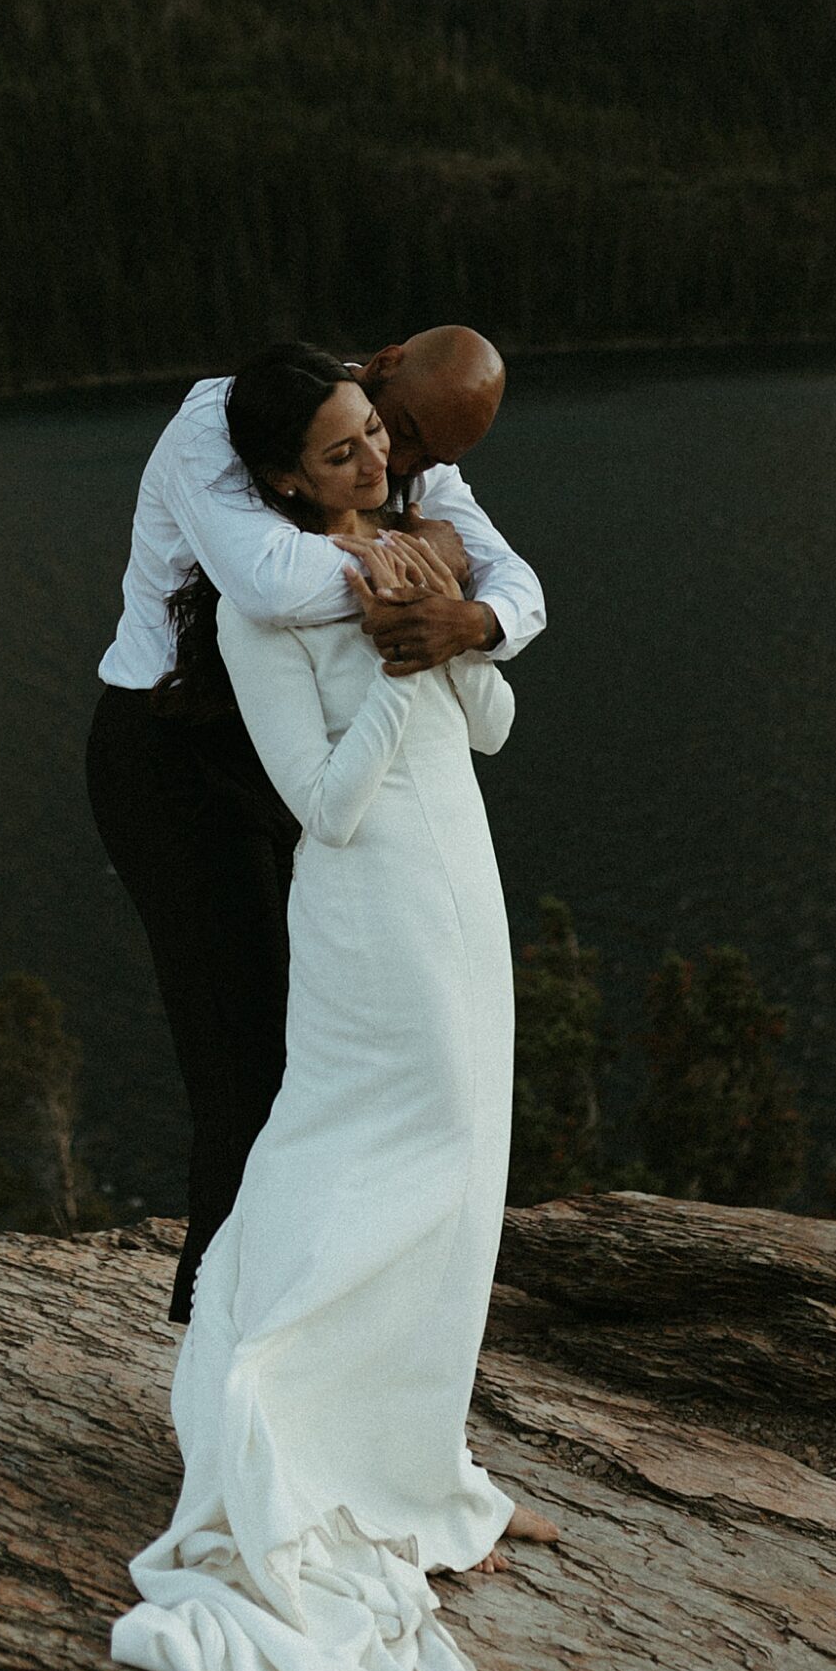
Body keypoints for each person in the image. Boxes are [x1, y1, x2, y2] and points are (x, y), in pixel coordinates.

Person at [110, 344, 558, 1671]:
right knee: (319, 1131)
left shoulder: (407, 509)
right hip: (362, 896)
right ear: (290, 474)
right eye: (352, 453)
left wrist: (454, 627)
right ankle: (257, 1411)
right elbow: (325, 801)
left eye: (388, 447)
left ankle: (412, 1465)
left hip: (455, 896)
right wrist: (388, 634)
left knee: (461, 1162)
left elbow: (487, 711)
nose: (382, 469)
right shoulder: (254, 550)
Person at [86, 328, 545, 1323]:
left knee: (340, 1066)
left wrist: (471, 618)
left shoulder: (390, 442)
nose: (403, 467)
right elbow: (266, 584)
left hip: (298, 762)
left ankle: (314, 1337)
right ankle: (219, 1367)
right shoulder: (217, 425)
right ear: (379, 365)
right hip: (176, 759)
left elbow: (522, 590)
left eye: (427, 458)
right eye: (399, 435)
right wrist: (426, 555)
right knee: (248, 1069)